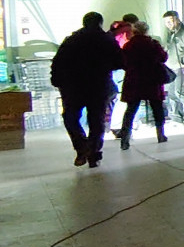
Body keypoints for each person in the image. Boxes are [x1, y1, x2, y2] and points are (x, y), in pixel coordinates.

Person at [51, 11, 125, 168]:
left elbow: (58, 62)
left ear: (84, 23)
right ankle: (93, 154)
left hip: (73, 86)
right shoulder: (107, 40)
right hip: (98, 85)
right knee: (96, 121)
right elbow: (119, 62)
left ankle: (82, 146)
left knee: (70, 117)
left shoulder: (72, 40)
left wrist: (57, 80)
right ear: (100, 23)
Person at [118, 20, 170, 148]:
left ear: (134, 31)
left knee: (131, 110)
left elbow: (123, 63)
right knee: (157, 107)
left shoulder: (128, 46)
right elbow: (163, 58)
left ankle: (125, 139)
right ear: (146, 31)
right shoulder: (153, 44)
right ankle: (160, 135)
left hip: (134, 80)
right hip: (152, 79)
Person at [162, 10, 184, 123]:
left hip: (182, 67)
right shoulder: (170, 34)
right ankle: (176, 118)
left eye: (170, 21)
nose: (168, 24)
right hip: (172, 67)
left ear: (177, 20)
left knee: (180, 92)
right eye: (166, 22)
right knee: (172, 94)